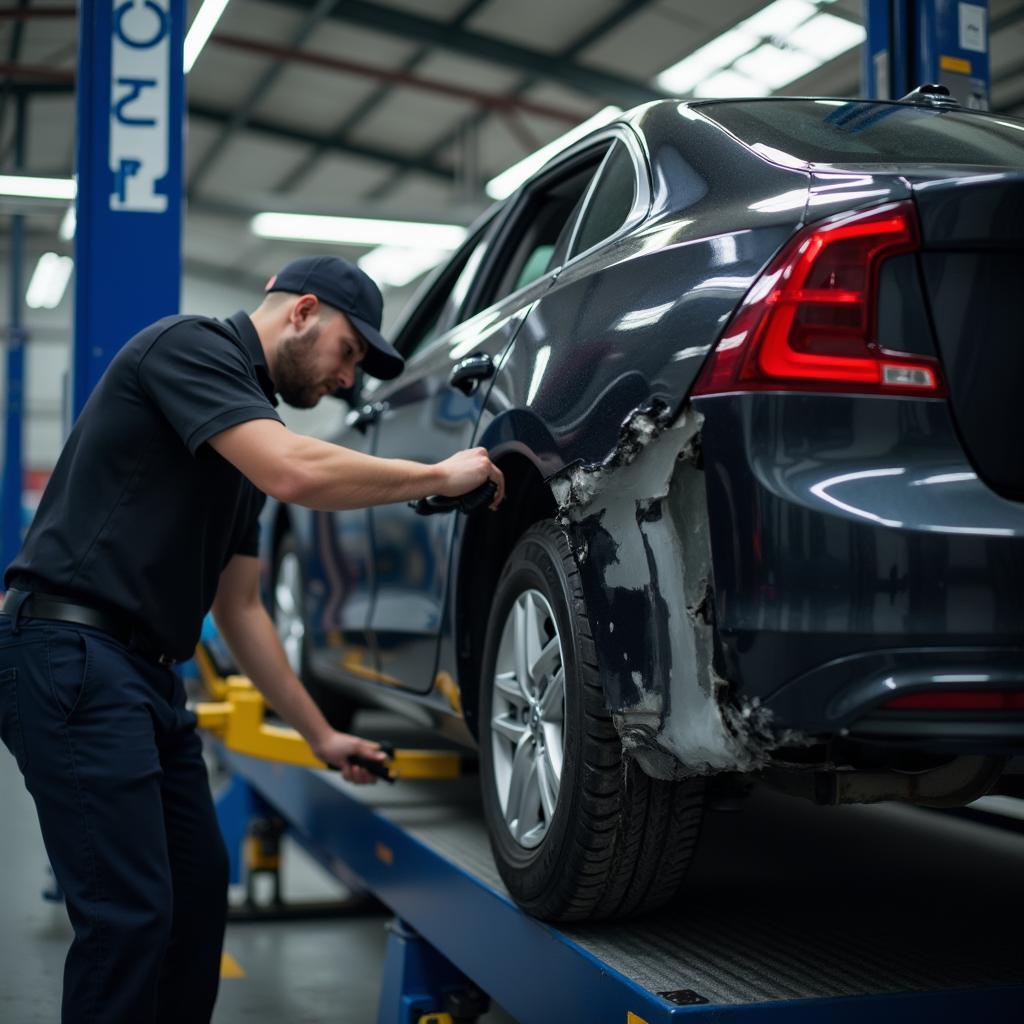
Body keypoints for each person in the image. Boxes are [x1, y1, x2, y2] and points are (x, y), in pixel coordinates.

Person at [0, 255, 505, 1024]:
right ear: (303, 312)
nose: (349, 381)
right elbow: (296, 474)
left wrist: (321, 734)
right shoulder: (189, 349)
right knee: (128, 918)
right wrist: (436, 474)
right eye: (349, 353)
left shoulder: (239, 442)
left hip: (143, 678)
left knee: (197, 900)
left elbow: (243, 611)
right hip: (69, 655)